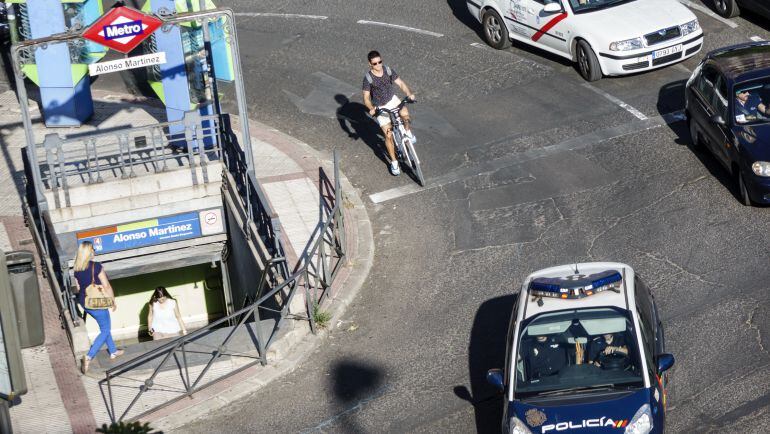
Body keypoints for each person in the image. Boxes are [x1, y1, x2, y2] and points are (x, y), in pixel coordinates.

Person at [362, 50, 416, 176]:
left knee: (405, 114)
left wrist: (409, 94)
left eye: (380, 62)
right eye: (375, 63)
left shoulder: (388, 70)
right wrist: (372, 108)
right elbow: (365, 97)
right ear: (370, 64)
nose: (378, 65)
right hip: (380, 106)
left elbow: (400, 83)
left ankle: (407, 132)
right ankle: (394, 162)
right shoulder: (368, 78)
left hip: (392, 100)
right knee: (388, 135)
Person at [73, 241, 123, 374]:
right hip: (98, 302)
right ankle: (89, 357)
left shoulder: (76, 267)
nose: (94, 252)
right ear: (89, 252)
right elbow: (106, 286)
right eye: (92, 250)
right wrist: (112, 300)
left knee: (104, 326)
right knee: (105, 329)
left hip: (85, 303)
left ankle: (113, 351)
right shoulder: (96, 266)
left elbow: (78, 288)